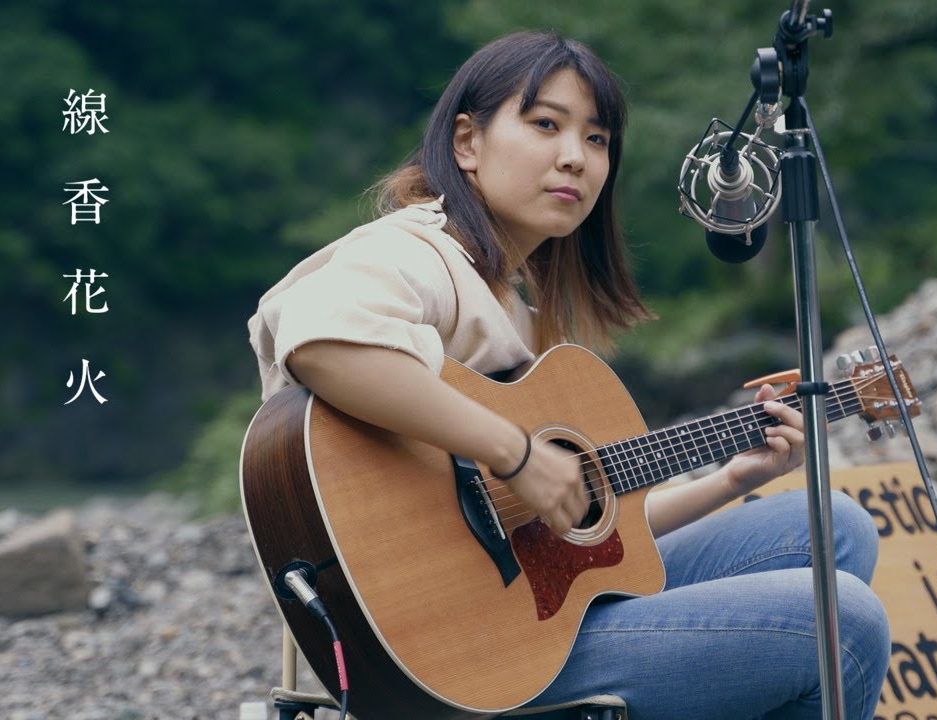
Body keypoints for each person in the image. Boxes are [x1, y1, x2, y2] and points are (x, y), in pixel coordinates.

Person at [248, 30, 889, 720]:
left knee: (835, 527)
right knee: (841, 619)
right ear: (467, 143)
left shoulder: (514, 307)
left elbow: (596, 545)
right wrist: (516, 453)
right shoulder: (417, 249)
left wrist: (734, 479)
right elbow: (322, 342)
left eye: (597, 139)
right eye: (546, 124)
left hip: (536, 619)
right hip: (462, 658)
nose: (573, 158)